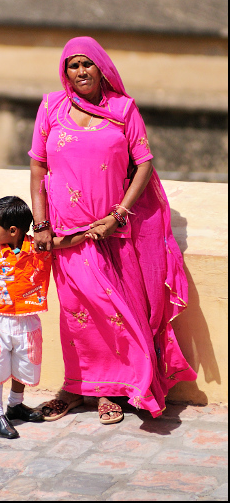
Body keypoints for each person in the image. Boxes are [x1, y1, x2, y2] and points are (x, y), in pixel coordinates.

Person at [29, 36, 197, 424]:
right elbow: (38, 167)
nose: (81, 71)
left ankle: (116, 391)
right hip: (67, 235)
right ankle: (75, 388)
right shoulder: (51, 106)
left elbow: (144, 164)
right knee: (76, 314)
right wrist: (41, 224)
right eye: (73, 65)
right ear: (65, 71)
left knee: (117, 314)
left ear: (102, 69)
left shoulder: (123, 109)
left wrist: (119, 214)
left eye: (88, 64)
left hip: (114, 233)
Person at [0, 195, 88, 439]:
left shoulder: (38, 247)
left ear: (13, 230)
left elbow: (64, 242)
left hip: (28, 320)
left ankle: (15, 405)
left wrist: (92, 230)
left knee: (23, 366)